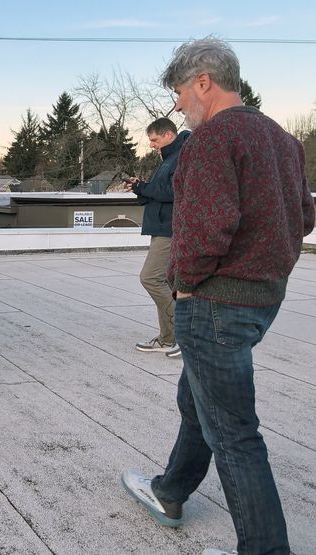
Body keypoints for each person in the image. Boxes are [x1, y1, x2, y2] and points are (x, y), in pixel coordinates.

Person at [121, 37, 314, 555]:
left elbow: (207, 230)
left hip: (214, 305)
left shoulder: (210, 140)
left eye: (180, 92)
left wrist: (184, 283)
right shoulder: (282, 139)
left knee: (234, 435)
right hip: (262, 300)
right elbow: (305, 216)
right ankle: (170, 492)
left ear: (203, 81)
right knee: (197, 398)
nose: (179, 105)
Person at [128, 118, 190, 359]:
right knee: (170, 283)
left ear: (168, 134)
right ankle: (168, 338)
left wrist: (146, 188)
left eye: (154, 139)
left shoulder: (182, 156)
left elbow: (175, 192)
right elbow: (160, 191)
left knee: (151, 278)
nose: (152, 145)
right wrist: (140, 188)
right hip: (162, 227)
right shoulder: (168, 158)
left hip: (171, 229)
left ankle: (181, 335)